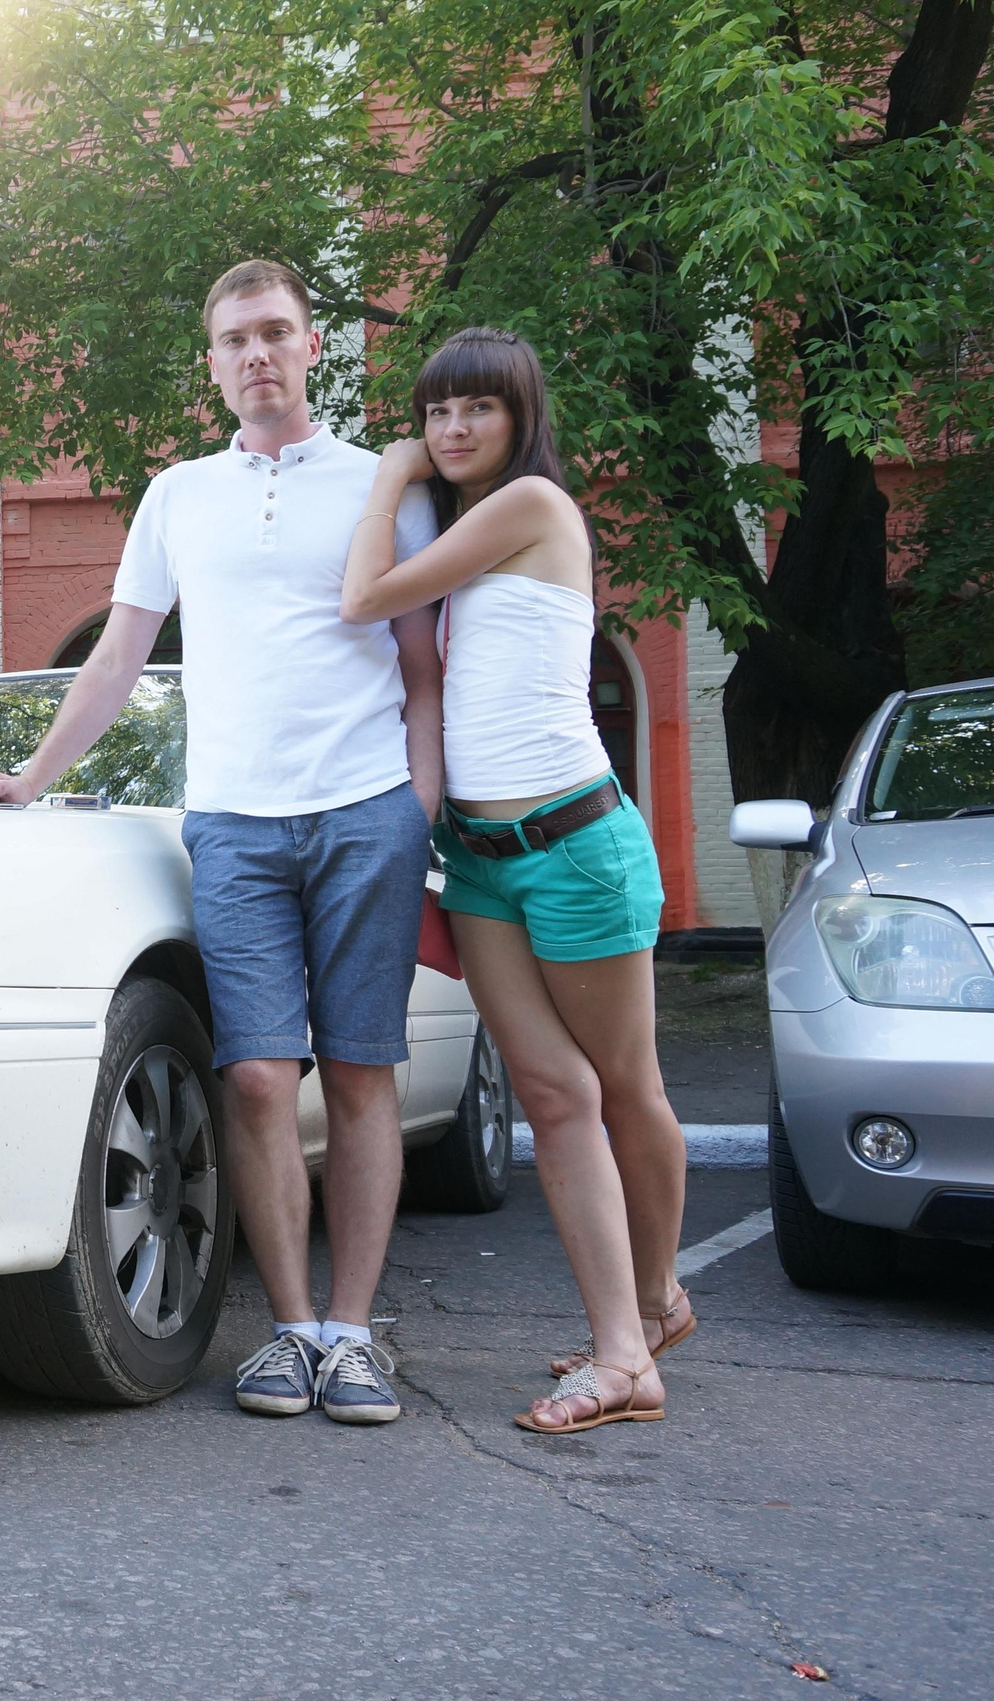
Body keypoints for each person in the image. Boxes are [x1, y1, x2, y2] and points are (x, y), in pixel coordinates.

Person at [0, 260, 442, 1425]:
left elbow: (426, 667)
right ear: (212, 362)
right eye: (234, 339)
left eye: (276, 332)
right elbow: (118, 659)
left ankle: (353, 1335)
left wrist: (418, 808)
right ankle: (287, 1330)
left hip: (365, 809)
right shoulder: (177, 494)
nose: (256, 354)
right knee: (261, 1078)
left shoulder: (384, 485)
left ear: (314, 347)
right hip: (232, 823)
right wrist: (31, 776)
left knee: (364, 1075)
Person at [339, 326, 690, 1434]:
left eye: (474, 409)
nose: (448, 430)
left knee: (623, 1089)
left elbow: (363, 595)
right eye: (433, 413)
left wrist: (388, 470)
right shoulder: (473, 531)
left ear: (518, 417)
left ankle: (642, 1318)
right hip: (485, 868)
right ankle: (633, 1335)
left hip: (577, 845)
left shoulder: (531, 508)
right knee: (550, 1096)